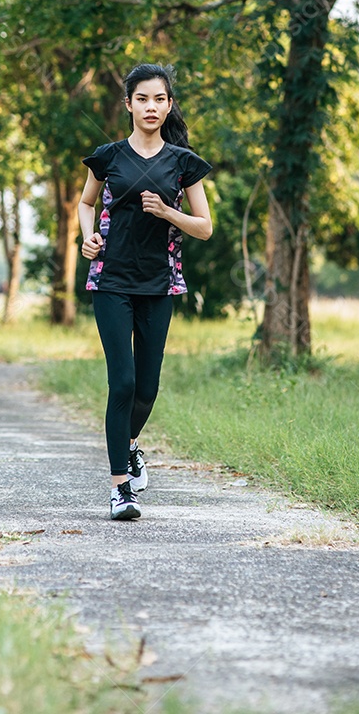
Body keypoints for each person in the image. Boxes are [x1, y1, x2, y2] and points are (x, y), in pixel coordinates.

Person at [78, 63, 213, 520]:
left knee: (148, 387)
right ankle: (121, 489)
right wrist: (87, 236)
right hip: (111, 280)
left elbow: (205, 228)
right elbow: (85, 202)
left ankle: (131, 444)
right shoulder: (109, 156)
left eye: (159, 99)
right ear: (129, 104)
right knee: (124, 381)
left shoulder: (183, 163)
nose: (151, 107)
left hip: (160, 282)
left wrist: (167, 212)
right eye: (142, 99)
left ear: (168, 104)